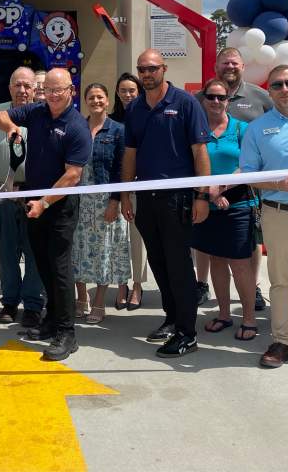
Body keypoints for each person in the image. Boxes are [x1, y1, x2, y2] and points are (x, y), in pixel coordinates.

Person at [0, 67, 92, 361]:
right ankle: (51, 321)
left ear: (70, 91)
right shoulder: (36, 112)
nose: (51, 95)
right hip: (35, 204)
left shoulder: (76, 127)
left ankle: (67, 333)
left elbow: (72, 176)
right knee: (44, 265)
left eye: (57, 91)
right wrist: (11, 127)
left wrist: (44, 203)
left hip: (58, 207)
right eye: (46, 90)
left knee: (60, 270)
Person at [120, 49, 210, 358]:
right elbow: (130, 153)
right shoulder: (134, 109)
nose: (146, 73)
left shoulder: (185, 103)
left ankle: (187, 333)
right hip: (146, 200)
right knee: (159, 263)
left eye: (152, 68)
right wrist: (124, 194)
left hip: (179, 200)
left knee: (179, 266)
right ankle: (172, 320)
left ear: (164, 69)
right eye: (142, 69)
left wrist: (202, 195)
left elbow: (200, 152)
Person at [195, 47, 272, 310]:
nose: (230, 66)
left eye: (235, 63)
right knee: (212, 251)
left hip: (248, 190)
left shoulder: (260, 96)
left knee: (250, 246)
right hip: (208, 192)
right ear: (216, 66)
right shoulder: (198, 99)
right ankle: (203, 285)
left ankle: (255, 290)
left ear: (243, 66)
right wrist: (208, 192)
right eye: (225, 62)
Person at [191, 79, 257, 341]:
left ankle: (249, 319)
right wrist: (209, 194)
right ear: (203, 99)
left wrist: (221, 188)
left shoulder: (242, 129)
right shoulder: (195, 131)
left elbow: (249, 166)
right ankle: (224, 314)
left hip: (238, 205)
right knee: (216, 260)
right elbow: (192, 165)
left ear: (229, 100)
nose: (216, 102)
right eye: (211, 97)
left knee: (240, 264)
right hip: (207, 205)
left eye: (221, 97)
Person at [240, 64, 288, 368]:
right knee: (282, 281)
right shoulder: (257, 129)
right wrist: (277, 183)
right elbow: (249, 176)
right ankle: (282, 342)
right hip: (280, 214)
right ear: (269, 90)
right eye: (277, 85)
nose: (285, 89)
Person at [0, 67, 44, 329]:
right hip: (4, 196)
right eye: (17, 85)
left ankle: (34, 305)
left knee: (35, 253)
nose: (22, 91)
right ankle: (10, 302)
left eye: (27, 86)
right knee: (8, 253)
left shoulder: (44, 114)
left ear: (34, 89)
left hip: (35, 196)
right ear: (10, 87)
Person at [73, 83, 129, 323]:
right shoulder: (77, 128)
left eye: (100, 97)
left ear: (107, 101)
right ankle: (81, 297)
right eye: (91, 97)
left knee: (104, 251)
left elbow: (121, 168)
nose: (96, 101)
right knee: (78, 250)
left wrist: (115, 201)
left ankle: (99, 302)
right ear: (86, 101)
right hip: (78, 200)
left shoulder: (118, 130)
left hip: (105, 201)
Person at [109, 72, 147, 310]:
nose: (128, 94)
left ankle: (137, 285)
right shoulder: (111, 120)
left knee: (136, 240)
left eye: (132, 90)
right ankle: (120, 283)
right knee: (117, 240)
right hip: (115, 188)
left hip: (139, 187)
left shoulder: (146, 117)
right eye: (123, 90)